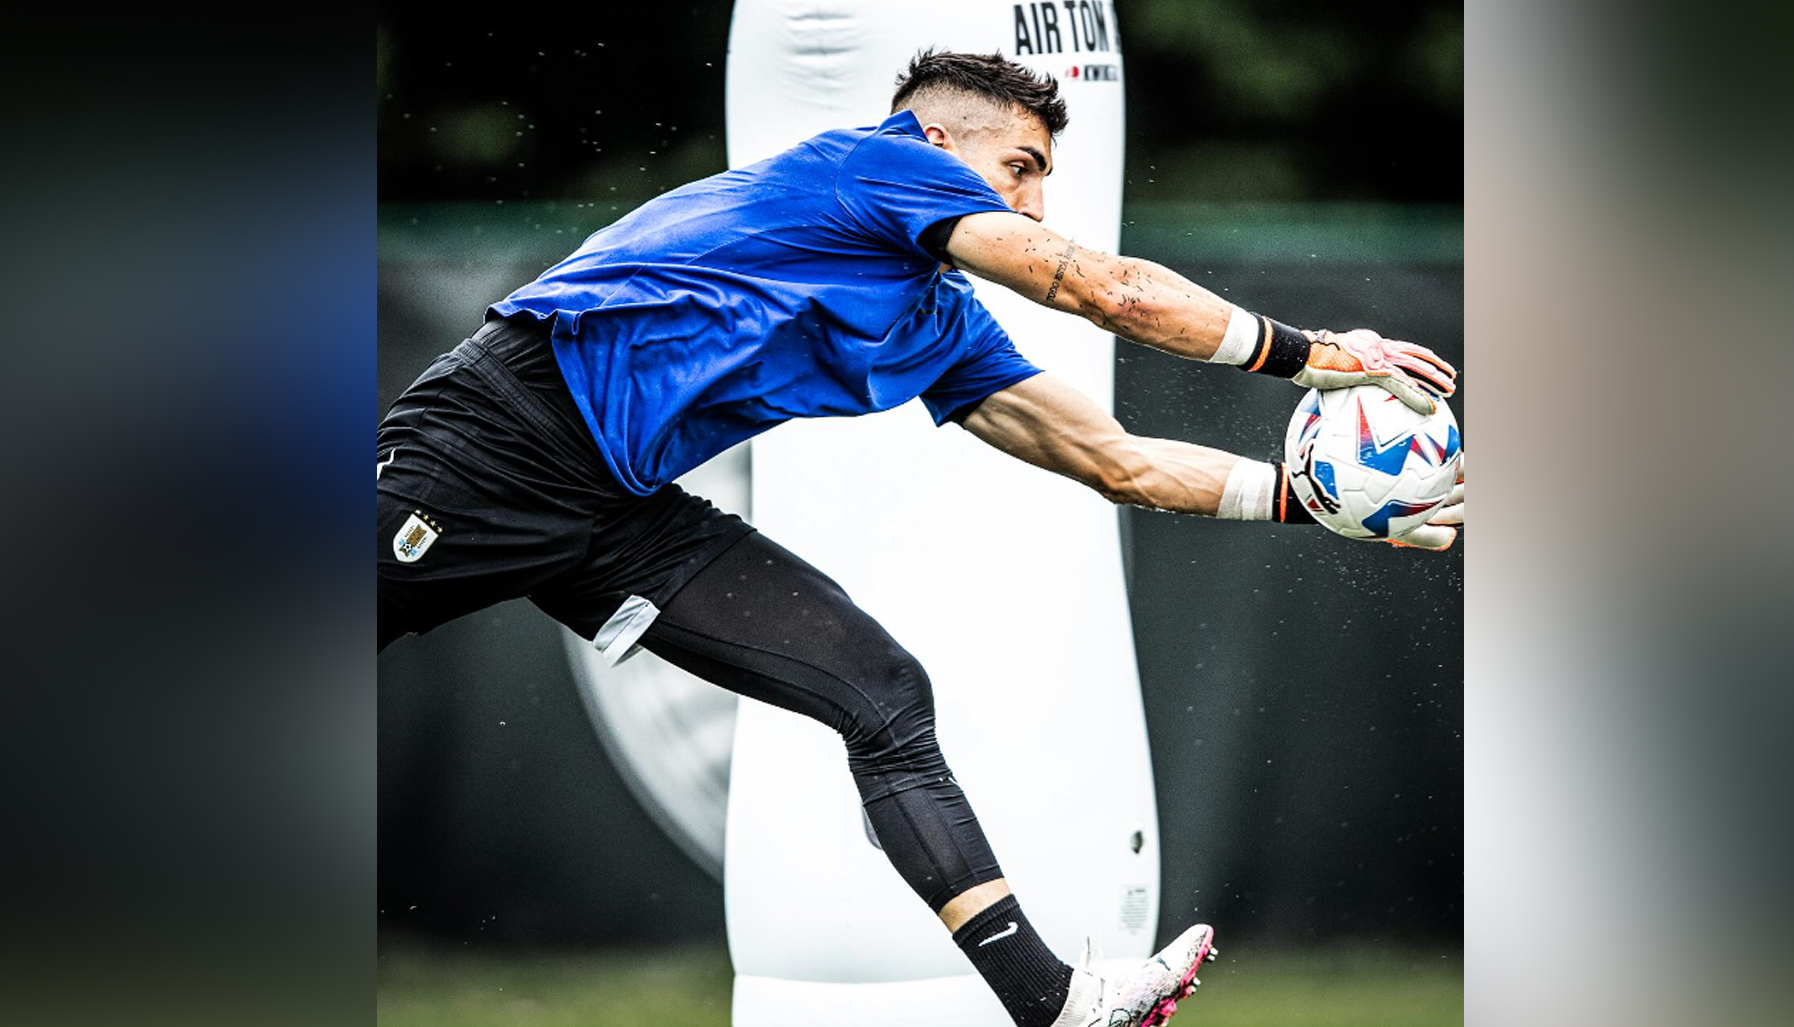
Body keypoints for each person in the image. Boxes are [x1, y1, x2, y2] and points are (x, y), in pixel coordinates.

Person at [378, 49, 1461, 1027]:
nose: (1038, 200)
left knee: (881, 692)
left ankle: (1054, 1006)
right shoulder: (875, 164)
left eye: (1046, 178)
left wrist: (1311, 498)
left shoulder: (937, 316)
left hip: (617, 509)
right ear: (936, 140)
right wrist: (1313, 351)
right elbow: (1108, 291)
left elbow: (1113, 461)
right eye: (1022, 167)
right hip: (496, 440)